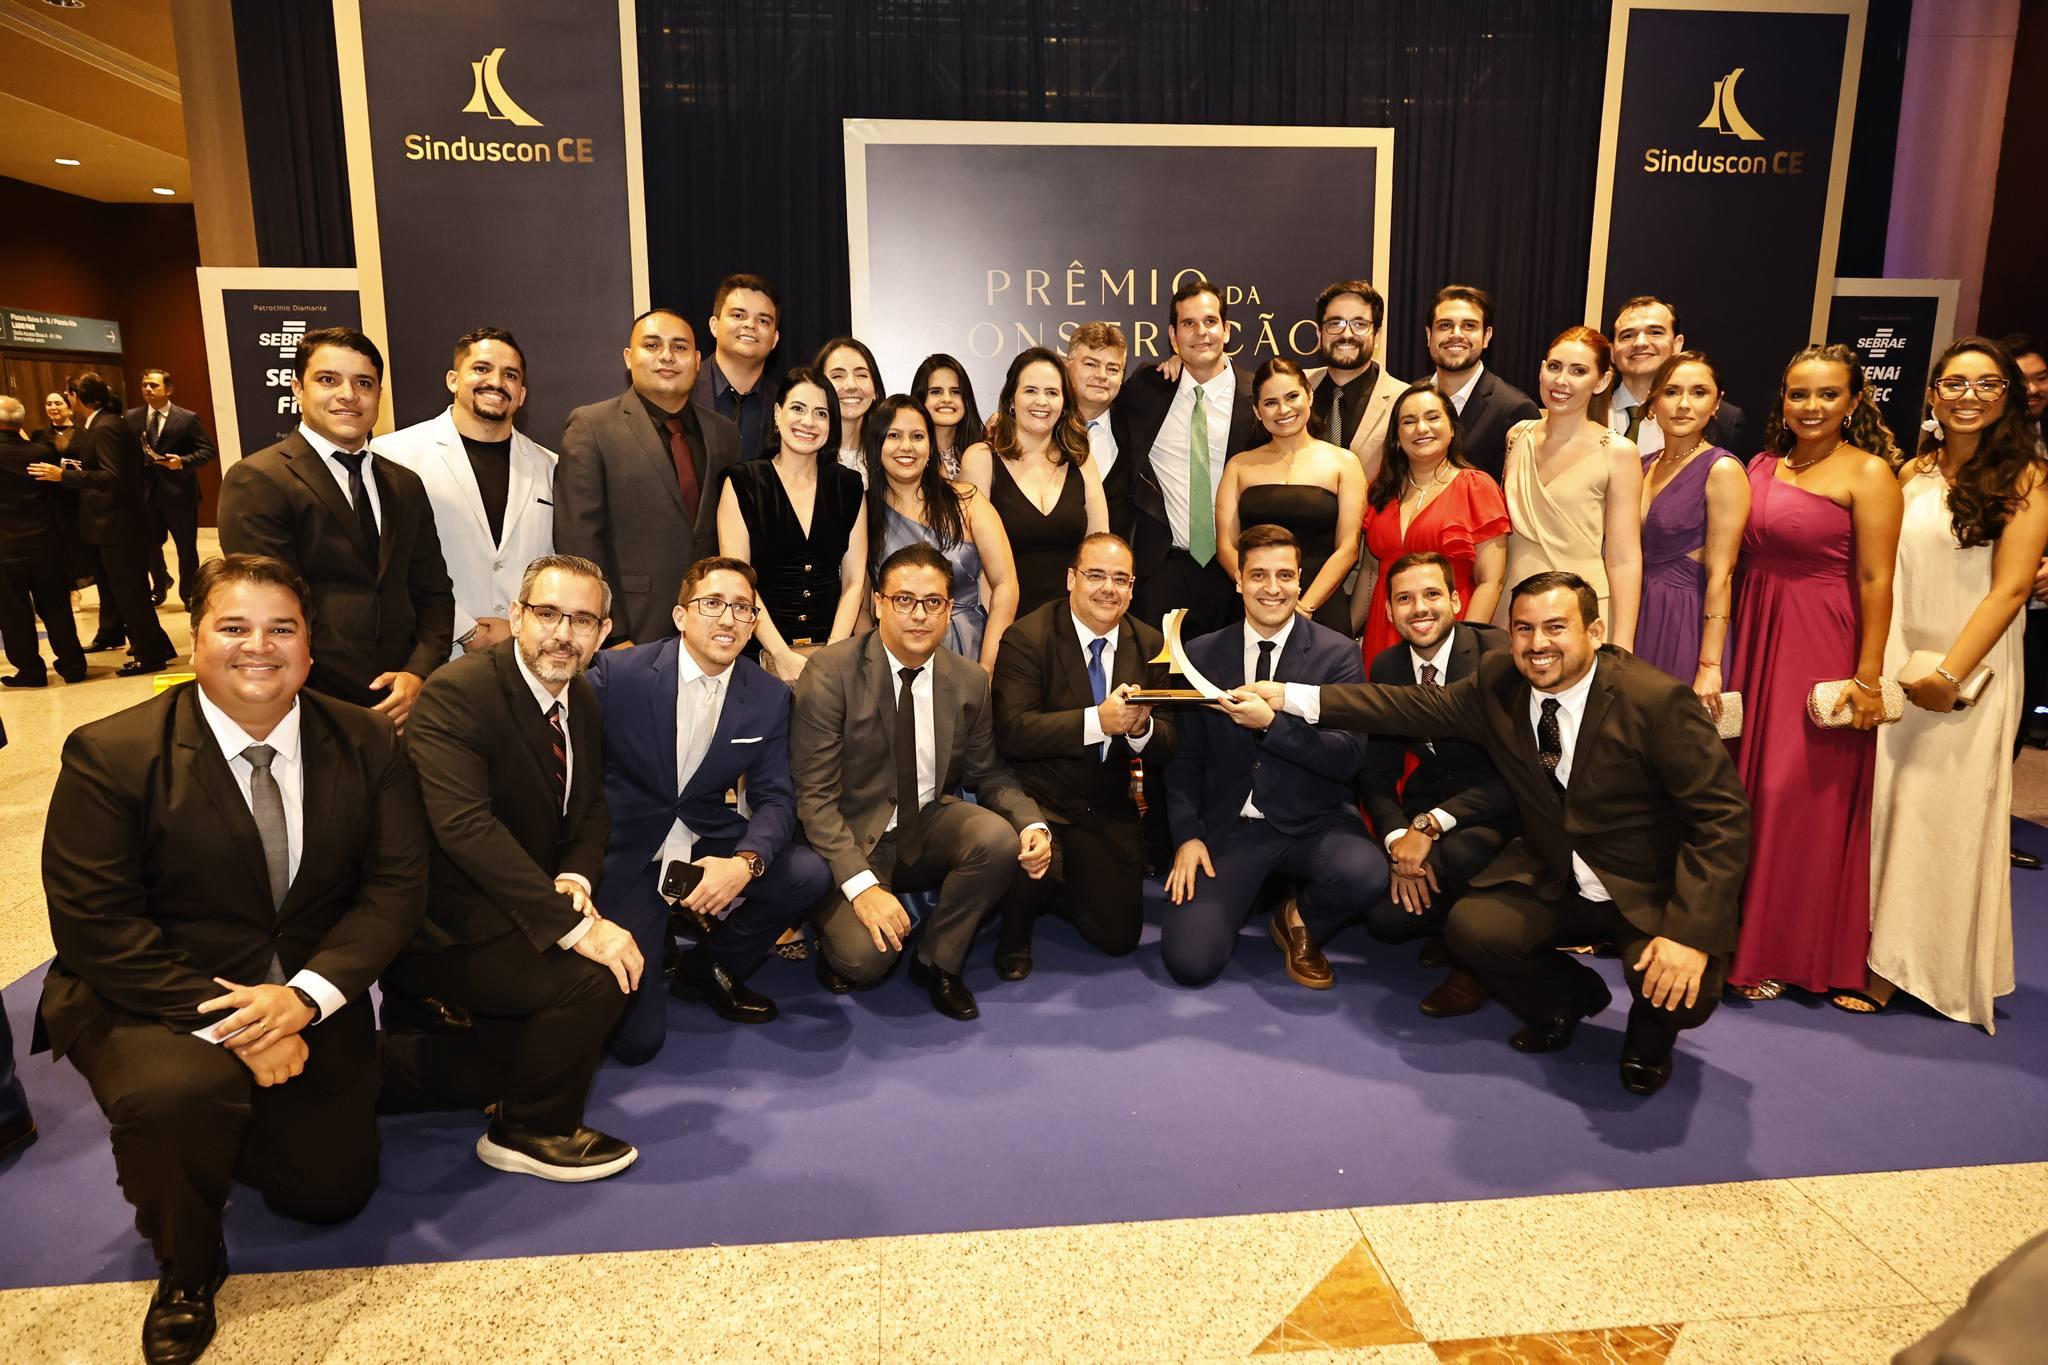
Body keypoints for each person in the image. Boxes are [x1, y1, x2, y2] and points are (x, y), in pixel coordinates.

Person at [35, 553, 428, 1364]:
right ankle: (187, 1264)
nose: (259, 645)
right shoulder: (111, 753)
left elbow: (395, 888)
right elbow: (95, 923)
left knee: (331, 1193)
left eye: (282, 628)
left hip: (301, 993)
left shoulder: (364, 739)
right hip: (152, 994)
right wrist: (244, 1027)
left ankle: (236, 1128)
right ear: (195, 641)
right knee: (177, 1095)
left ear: (310, 647)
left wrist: (305, 998)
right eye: (234, 626)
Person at [1227, 571, 1751, 1096]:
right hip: (1556, 872)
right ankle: (1565, 1000)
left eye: (1555, 627)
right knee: (1474, 930)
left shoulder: (1655, 700)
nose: (1538, 644)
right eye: (1524, 629)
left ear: (1595, 631)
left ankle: (1649, 1039)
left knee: (1682, 990)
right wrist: (1287, 696)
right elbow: (1406, 707)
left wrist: (1688, 934)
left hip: (1646, 884)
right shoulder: (1501, 680)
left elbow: (1722, 820)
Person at [379, 554, 643, 1182]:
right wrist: (575, 927)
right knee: (601, 976)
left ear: (603, 633)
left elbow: (591, 807)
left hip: (517, 907)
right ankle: (529, 1130)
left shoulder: (580, 699)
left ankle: (407, 1059)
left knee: (520, 1058)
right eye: (548, 614)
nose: (563, 633)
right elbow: (465, 828)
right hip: (446, 926)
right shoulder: (459, 691)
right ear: (517, 616)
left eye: (582, 620)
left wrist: (575, 880)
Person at [1862, 339, 2048, 1028]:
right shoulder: (1912, 471)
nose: (1969, 395)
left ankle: (1919, 966)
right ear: (1933, 394)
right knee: (1891, 806)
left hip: (1971, 667)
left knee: (1944, 813)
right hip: (1900, 657)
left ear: (2008, 396)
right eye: (1955, 383)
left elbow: (2011, 591)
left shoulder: (2026, 478)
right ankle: (1880, 949)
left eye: (1987, 383)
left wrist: (1949, 674)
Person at [791, 543, 1051, 1020]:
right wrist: (861, 887)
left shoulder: (969, 680)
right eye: (904, 600)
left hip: (924, 822)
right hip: (851, 835)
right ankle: (827, 931)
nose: (918, 615)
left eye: (932, 602)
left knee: (997, 838)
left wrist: (1031, 823)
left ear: (949, 610)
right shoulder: (831, 672)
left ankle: (938, 961)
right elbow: (815, 799)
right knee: (866, 961)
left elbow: (988, 772)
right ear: (878, 603)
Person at [587, 557, 833, 1058]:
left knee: (807, 873)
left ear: (754, 622)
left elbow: (775, 797)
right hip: (628, 849)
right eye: (713, 603)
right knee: (637, 1043)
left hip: (703, 833)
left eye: (742, 608)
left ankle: (709, 967)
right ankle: (655, 936)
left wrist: (744, 864)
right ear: (680, 616)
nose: (728, 619)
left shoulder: (767, 695)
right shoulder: (618, 674)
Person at [1725, 344, 1902, 1002]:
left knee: (1793, 794)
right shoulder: (1761, 465)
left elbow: (1877, 579)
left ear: (1853, 401)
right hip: (1755, 631)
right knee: (1744, 788)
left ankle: (1785, 949)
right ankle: (1740, 934)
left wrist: (1868, 676)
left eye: (1828, 394)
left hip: (1820, 639)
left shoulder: (1870, 473)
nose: (1812, 406)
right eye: (1799, 393)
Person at [1161, 525, 1383, 989]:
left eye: (1284, 575)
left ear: (1300, 580)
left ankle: (1298, 919)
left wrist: (1272, 725)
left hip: (1314, 822)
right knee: (1189, 962)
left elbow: (1348, 757)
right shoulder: (1200, 653)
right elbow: (1184, 758)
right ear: (1238, 581)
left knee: (1364, 875)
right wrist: (1187, 836)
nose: (1272, 588)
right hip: (1231, 828)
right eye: (1258, 575)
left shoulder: (1339, 654)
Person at [218, 328, 454, 724]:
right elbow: (272, 607)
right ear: (297, 388)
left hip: (407, 701)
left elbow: (432, 590)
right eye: (328, 379)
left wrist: (418, 672)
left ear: (379, 394)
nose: (348, 394)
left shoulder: (405, 484)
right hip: (311, 701)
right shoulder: (257, 479)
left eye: (364, 383)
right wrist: (369, 691)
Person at [990, 533, 1175, 978]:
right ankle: (1015, 931)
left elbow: (1171, 741)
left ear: (1132, 588)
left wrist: (1142, 729)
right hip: (1041, 800)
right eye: (1096, 575)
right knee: (1034, 868)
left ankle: (1063, 888)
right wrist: (1098, 721)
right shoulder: (1026, 637)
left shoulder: (1151, 645)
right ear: (1071, 578)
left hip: (1106, 806)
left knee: (1118, 938)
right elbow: (1012, 733)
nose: (1108, 589)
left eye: (1120, 579)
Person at [1352, 552, 1517, 1017]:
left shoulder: (1496, 656)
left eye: (1431, 594)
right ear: (1389, 612)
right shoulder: (1387, 667)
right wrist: (1397, 841)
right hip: (1429, 806)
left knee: (1464, 853)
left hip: (1498, 811)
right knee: (1385, 921)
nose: (1419, 608)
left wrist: (1429, 826)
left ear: (1456, 600)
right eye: (1404, 599)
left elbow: (1516, 774)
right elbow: (1377, 773)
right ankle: (1452, 925)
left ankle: (1474, 962)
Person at [554, 307, 742, 647]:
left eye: (679, 347)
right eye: (652, 345)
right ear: (629, 357)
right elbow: (579, 540)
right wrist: (612, 632)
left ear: (697, 360)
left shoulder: (724, 433)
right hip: (630, 630)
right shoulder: (592, 426)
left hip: (712, 626)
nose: (667, 356)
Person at [378, 326, 557, 660]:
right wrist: (466, 629)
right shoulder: (393, 455)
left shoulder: (551, 466)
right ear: (453, 379)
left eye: (510, 375)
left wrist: (519, 627)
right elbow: (393, 565)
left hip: (525, 654)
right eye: (481, 368)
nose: (496, 382)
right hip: (431, 655)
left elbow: (556, 565)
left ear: (521, 394)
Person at [1118, 277, 1260, 638]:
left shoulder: (1257, 396)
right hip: (1160, 569)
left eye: (1210, 321)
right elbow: (1094, 409)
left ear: (1227, 330)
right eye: (1189, 323)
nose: (1201, 332)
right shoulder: (1148, 387)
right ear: (1173, 335)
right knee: (1155, 672)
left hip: (1233, 573)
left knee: (1230, 673)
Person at [716, 366, 868, 680]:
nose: (808, 422)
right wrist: (780, 654)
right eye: (798, 408)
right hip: (756, 653)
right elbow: (738, 581)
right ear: (777, 413)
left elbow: (854, 580)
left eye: (821, 413)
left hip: (834, 656)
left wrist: (834, 652)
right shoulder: (743, 483)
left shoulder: (849, 486)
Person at [1498, 326, 1645, 650]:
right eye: (1555, 367)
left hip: (1580, 613)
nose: (1561, 380)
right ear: (1541, 370)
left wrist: (1622, 644)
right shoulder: (1517, 436)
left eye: (1578, 371)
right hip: (1514, 607)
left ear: (1602, 381)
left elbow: (1624, 558)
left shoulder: (1618, 452)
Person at [27, 373, 176, 675]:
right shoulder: (103, 423)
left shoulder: (106, 426)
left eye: (69, 395)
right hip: (110, 524)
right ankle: (154, 645)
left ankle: (150, 655)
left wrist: (64, 476)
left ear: (77, 397)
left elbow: (113, 476)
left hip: (118, 525)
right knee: (119, 589)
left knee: (130, 592)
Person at [1355, 381, 1511, 663]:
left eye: (1432, 417)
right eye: (1408, 421)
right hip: (1384, 629)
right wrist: (1345, 634)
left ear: (1452, 428)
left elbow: (1491, 581)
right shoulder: (1381, 490)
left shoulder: (1476, 487)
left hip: (1449, 629)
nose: (1421, 428)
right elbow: (1370, 575)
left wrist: (1464, 646)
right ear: (1396, 436)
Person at [1213, 357, 1366, 635]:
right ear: (1257, 411)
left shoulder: (1344, 463)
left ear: (1309, 395)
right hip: (1256, 607)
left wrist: (1302, 607)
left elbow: (1348, 548)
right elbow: (1226, 546)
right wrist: (1262, 595)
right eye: (1270, 402)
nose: (1283, 410)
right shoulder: (1239, 466)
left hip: (1321, 606)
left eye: (1292, 396)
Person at [867, 394, 1017, 671]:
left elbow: (1006, 584)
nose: (906, 446)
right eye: (894, 435)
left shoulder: (967, 501)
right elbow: (859, 596)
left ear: (930, 446)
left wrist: (988, 666)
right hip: (895, 658)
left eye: (917, 436)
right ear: (876, 445)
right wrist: (872, 666)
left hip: (969, 650)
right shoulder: (864, 512)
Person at [961, 346, 1108, 619]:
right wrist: (998, 628)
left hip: (1073, 622)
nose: (1042, 401)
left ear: (1064, 404)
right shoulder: (980, 459)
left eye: (1052, 392)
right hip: (1004, 620)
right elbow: (971, 560)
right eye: (1030, 390)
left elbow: (1100, 552)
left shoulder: (1081, 461)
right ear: (1011, 400)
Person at [1633, 351, 1749, 691]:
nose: (1683, 404)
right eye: (1671, 392)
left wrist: (1710, 664)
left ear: (1716, 404)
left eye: (1699, 392)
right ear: (1653, 401)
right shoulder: (1642, 464)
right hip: (1637, 611)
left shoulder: (1722, 469)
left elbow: (1722, 575)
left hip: (1685, 619)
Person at [0, 395, 86, 686]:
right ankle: (73, 665)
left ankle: (30, 670)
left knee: (14, 613)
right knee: (57, 607)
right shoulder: (42, 452)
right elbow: (59, 497)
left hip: (5, 548)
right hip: (45, 542)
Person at [1425, 285, 1540, 482]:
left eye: (1469, 326)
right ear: (1429, 335)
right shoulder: (1409, 396)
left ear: (1487, 336)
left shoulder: (1516, 411)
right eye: (1445, 325)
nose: (1456, 334)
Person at [1607, 296, 1747, 456]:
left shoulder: (1724, 420)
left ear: (1676, 344)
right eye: (1627, 335)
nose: (1640, 343)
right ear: (1612, 352)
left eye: (1655, 332)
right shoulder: (1588, 408)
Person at [126, 369, 218, 607]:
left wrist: (182, 462)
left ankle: (189, 593)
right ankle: (160, 584)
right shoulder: (132, 417)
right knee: (149, 545)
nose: (148, 389)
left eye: (154, 385)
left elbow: (207, 451)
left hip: (179, 493)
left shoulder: (186, 418)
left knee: (185, 548)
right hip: (146, 492)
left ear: (168, 389)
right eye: (145, 385)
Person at [1999, 333, 2048, 753]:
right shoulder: (1970, 440)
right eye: (2021, 380)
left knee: (2019, 715)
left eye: (2042, 377)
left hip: (2040, 612)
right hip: (1987, 600)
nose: (2032, 389)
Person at [1304, 279, 1407, 475]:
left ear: (1377, 335)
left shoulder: (1404, 399)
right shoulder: (1294, 388)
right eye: (1335, 323)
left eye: (1359, 324)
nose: (1347, 334)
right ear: (1319, 333)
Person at [694, 273, 782, 459]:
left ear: (774, 339)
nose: (750, 325)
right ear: (714, 326)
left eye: (763, 321)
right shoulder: (682, 390)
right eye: (738, 315)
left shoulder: (785, 403)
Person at [1065, 322, 1131, 530]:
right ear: (1068, 366)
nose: (1101, 375)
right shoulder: (1041, 428)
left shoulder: (1135, 428)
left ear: (1122, 377)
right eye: (1091, 364)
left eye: (1112, 369)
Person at [817, 336, 884, 480]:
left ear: (876, 391)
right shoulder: (806, 453)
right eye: (837, 376)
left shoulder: (887, 455)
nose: (851, 386)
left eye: (861, 375)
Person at [913, 351, 986, 480]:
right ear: (920, 398)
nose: (947, 399)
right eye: (936, 392)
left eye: (956, 392)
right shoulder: (909, 454)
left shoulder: (983, 454)